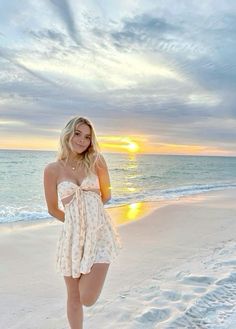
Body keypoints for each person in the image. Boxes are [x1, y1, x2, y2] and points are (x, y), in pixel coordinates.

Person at [43, 116, 121, 329]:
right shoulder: (52, 170)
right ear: (67, 133)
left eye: (87, 136)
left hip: (99, 232)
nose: (82, 140)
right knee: (74, 297)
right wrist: (74, 224)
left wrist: (90, 215)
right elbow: (52, 208)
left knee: (87, 297)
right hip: (72, 237)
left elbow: (106, 195)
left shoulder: (97, 161)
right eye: (78, 133)